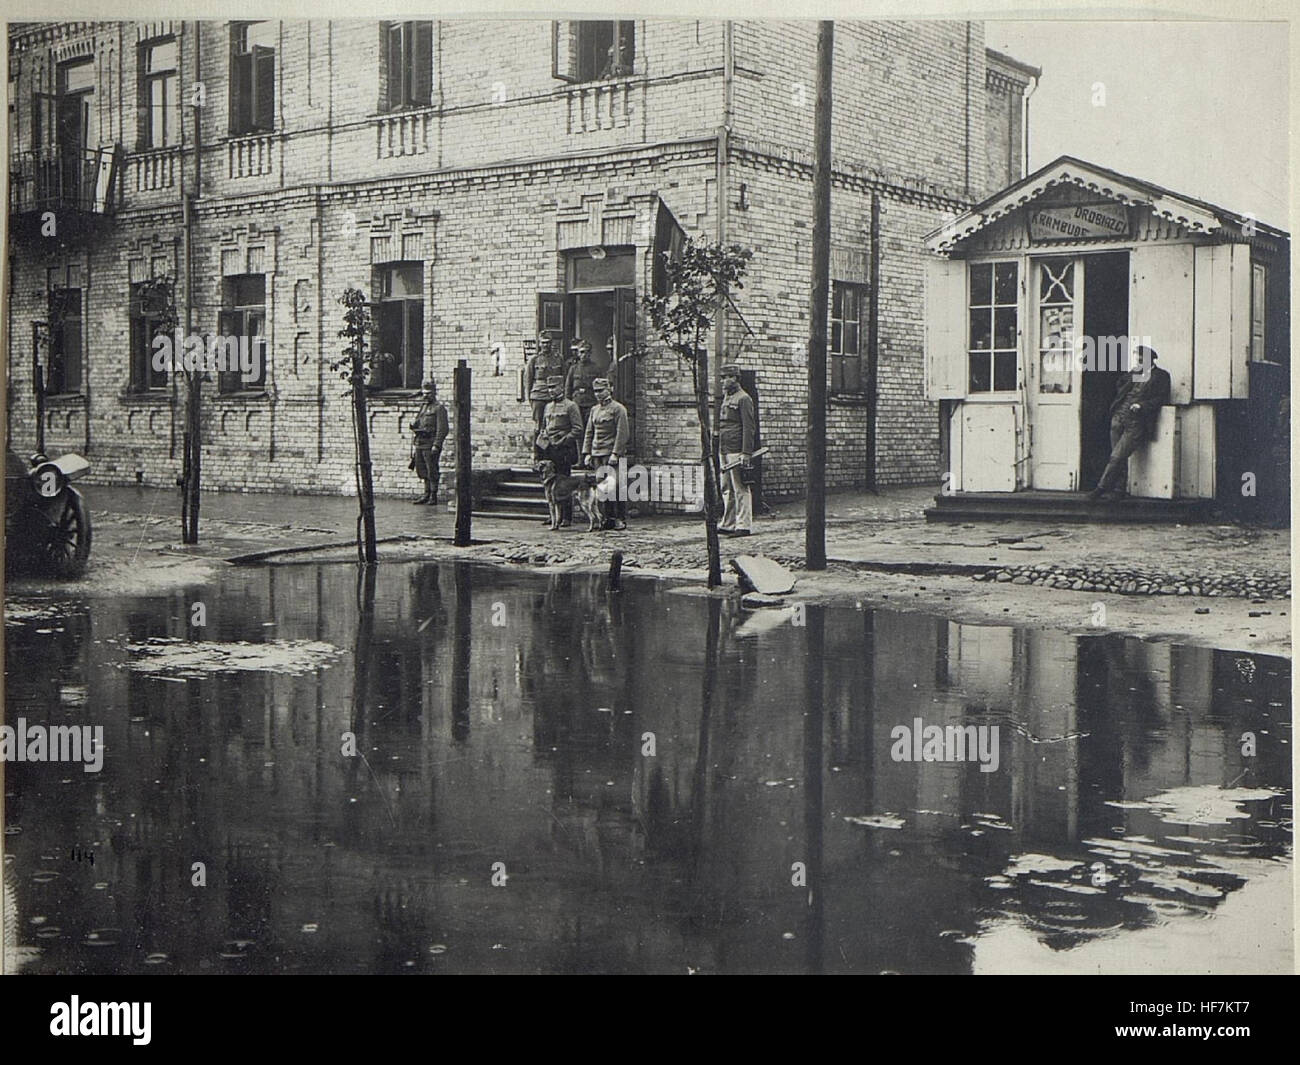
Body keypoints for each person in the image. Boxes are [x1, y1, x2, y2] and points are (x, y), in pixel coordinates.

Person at [1087, 345, 1172, 500]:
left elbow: (1161, 398)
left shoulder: (1161, 376)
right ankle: (1119, 489)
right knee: (1118, 455)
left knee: (1117, 456)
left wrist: (1142, 405)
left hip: (1137, 421)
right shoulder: (1135, 374)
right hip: (1118, 418)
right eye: (1138, 359)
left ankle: (1100, 488)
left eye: (1141, 359)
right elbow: (1120, 386)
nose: (1139, 361)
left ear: (1150, 359)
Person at [582, 377, 630, 530]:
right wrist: (587, 453)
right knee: (602, 488)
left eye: (601, 390)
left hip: (611, 454)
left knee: (616, 487)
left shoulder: (618, 409)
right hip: (598, 454)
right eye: (596, 391)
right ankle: (606, 518)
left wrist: (616, 453)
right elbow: (589, 432)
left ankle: (619, 518)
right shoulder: (594, 410)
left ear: (609, 389)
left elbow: (622, 433)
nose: (598, 394)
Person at [536, 376, 584, 527]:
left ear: (561, 388)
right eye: (549, 388)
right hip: (550, 449)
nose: (551, 391)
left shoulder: (571, 406)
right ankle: (554, 516)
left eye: (554, 387)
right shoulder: (548, 407)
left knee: (564, 483)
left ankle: (566, 517)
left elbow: (578, 429)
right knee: (550, 484)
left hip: (564, 450)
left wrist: (563, 439)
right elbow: (545, 426)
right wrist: (543, 437)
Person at [717, 363, 756, 535]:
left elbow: (749, 427)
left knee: (740, 487)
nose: (724, 381)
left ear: (735, 378)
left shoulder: (744, 398)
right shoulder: (726, 398)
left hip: (736, 449)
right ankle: (728, 523)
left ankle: (743, 524)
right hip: (724, 448)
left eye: (727, 377)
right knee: (727, 487)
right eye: (722, 378)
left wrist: (746, 452)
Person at [524, 336, 567, 457]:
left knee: (555, 426)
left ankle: (552, 455)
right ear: (539, 344)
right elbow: (528, 380)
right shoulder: (534, 359)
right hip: (539, 395)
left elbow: (564, 377)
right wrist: (530, 398)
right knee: (539, 426)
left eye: (548, 343)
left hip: (554, 396)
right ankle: (538, 455)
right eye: (543, 343)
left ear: (551, 343)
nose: (546, 345)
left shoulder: (558, 359)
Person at [410, 378, 449, 504]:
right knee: (421, 469)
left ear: (434, 393)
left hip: (430, 443)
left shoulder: (439, 408)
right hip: (420, 442)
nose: (426, 396)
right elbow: (418, 421)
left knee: (432, 469)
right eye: (424, 393)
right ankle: (426, 494)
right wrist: (413, 424)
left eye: (429, 393)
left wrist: (436, 445)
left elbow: (443, 429)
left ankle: (433, 495)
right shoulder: (423, 407)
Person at [566, 339, 601, 431]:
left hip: (591, 403)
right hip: (576, 403)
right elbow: (568, 388)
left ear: (590, 353)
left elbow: (601, 387)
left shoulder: (596, 368)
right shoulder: (573, 369)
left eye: (587, 352)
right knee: (577, 429)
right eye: (581, 352)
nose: (584, 355)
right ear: (578, 353)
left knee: (589, 429)